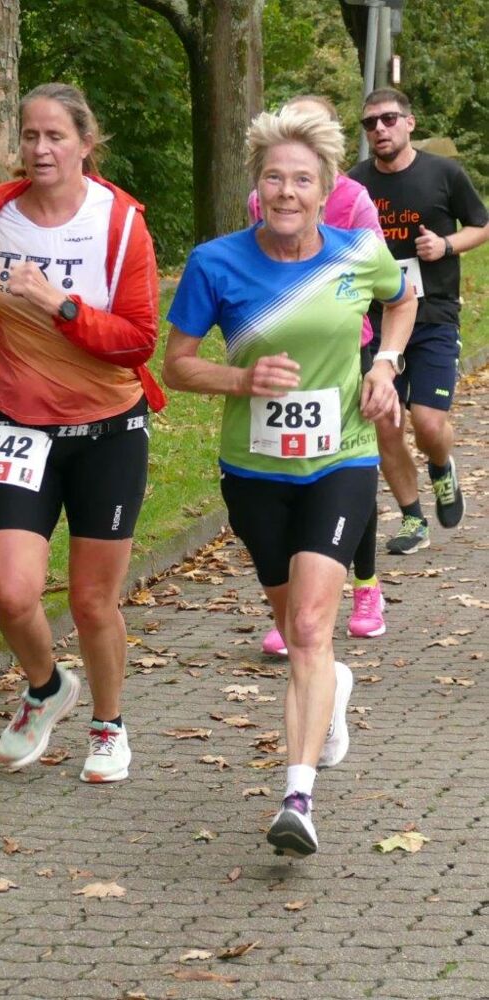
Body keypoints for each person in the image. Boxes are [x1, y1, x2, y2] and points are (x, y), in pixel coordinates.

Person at [163, 107, 416, 857]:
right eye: (274, 177)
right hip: (254, 473)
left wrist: (384, 364)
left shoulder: (357, 252)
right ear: (256, 187)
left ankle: (297, 799)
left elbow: (401, 298)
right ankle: (329, 689)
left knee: (307, 627)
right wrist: (241, 379)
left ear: (325, 189)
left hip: (342, 460)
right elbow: (177, 367)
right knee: (298, 625)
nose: (286, 192)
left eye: (302, 180)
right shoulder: (215, 263)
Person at [0, 82, 165, 782]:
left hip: (109, 430)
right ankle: (46, 689)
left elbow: (138, 341)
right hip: (19, 425)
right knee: (12, 594)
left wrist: (62, 304)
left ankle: (109, 725)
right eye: (30, 136)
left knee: (91, 601)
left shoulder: (120, 221)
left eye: (55, 136)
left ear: (85, 143)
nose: (40, 149)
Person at [248, 95, 388, 652]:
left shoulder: (355, 200)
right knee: (284, 472)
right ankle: (295, 609)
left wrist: (385, 363)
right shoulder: (264, 195)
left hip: (345, 349)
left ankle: (366, 585)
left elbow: (384, 279)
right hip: (283, 353)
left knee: (344, 469)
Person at [349, 88, 489, 555]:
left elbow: (481, 225)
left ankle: (442, 464)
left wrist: (446, 246)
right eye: (370, 123)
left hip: (433, 315)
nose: (380, 129)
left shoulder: (443, 173)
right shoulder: (354, 184)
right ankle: (413, 518)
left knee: (428, 423)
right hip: (376, 321)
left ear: (409, 122)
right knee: (386, 424)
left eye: (389, 119)